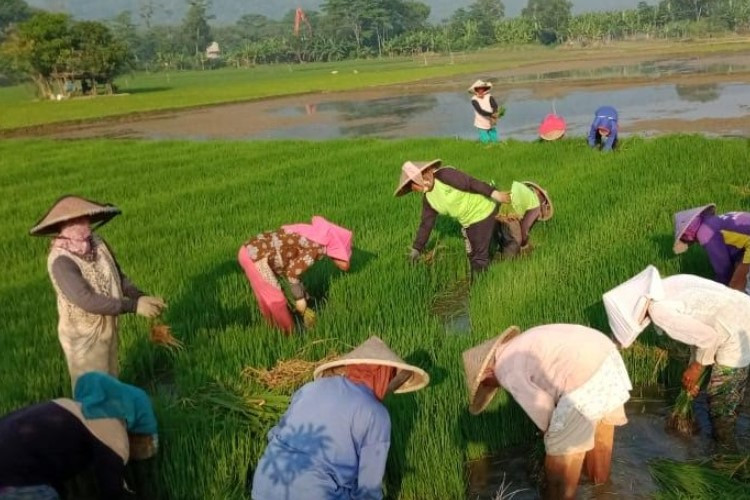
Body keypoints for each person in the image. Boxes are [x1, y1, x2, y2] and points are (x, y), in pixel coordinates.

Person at [462, 325, 632, 500]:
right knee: (600, 441)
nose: (492, 387)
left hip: (583, 378)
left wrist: (550, 437)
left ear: (486, 373)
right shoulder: (519, 344)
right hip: (607, 357)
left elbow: (542, 406)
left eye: (486, 384)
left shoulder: (504, 368)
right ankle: (603, 493)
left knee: (557, 467)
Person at [250, 336, 429, 499]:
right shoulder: (375, 414)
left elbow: (275, 433)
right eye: (390, 375)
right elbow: (369, 490)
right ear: (383, 374)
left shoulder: (310, 388)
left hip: (263, 484)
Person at [30, 196, 166, 389]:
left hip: (107, 328)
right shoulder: (61, 261)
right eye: (74, 221)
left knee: (111, 379)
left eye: (83, 219)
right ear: (62, 227)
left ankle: (115, 418)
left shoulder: (97, 243)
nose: (82, 225)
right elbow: (86, 300)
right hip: (83, 337)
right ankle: (96, 419)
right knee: (94, 393)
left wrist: (139, 295)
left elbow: (118, 276)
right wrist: (133, 306)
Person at [604, 265, 750, 444]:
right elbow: (700, 330)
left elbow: (709, 338)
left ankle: (725, 452)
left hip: (737, 332)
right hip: (741, 311)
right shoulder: (669, 285)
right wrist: (695, 372)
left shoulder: (659, 311)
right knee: (720, 393)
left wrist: (696, 368)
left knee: (722, 400)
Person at [0, 372, 158, 500]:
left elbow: (48, 462)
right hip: (15, 476)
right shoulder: (112, 431)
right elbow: (112, 491)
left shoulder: (68, 406)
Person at [238, 216, 352, 333]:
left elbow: (293, 262)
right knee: (277, 300)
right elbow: (292, 272)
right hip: (256, 258)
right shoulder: (318, 247)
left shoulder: (314, 235)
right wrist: (300, 299)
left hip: (248, 250)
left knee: (265, 297)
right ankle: (289, 333)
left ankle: (272, 328)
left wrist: (301, 292)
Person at [395, 159, 508, 275]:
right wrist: (416, 249)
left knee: (479, 257)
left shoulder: (445, 175)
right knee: (471, 254)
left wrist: (495, 194)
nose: (424, 185)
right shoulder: (428, 200)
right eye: (417, 186)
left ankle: (479, 286)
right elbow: (426, 224)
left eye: (424, 178)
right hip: (467, 221)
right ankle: (499, 243)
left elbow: (472, 183)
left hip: (482, 210)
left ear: (428, 171)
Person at [673, 204, 750, 294]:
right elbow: (738, 249)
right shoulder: (714, 221)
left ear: (688, 235)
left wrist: (718, 288)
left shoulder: (705, 232)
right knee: (740, 269)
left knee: (735, 288)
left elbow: (723, 266)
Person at [496, 181, 553, 259]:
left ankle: (500, 254)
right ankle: (507, 261)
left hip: (503, 207)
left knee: (505, 236)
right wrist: (524, 243)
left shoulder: (529, 196)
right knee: (516, 240)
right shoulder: (535, 205)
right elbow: (525, 227)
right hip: (510, 213)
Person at [469, 80, 500, 144]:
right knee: (485, 140)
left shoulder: (489, 96)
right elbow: (480, 111)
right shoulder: (474, 99)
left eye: (482, 88)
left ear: (485, 89)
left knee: (494, 139)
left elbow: (494, 105)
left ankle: (494, 147)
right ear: (476, 89)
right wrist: (491, 114)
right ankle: (483, 145)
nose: (481, 90)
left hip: (490, 120)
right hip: (481, 120)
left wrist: (495, 113)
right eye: (479, 88)